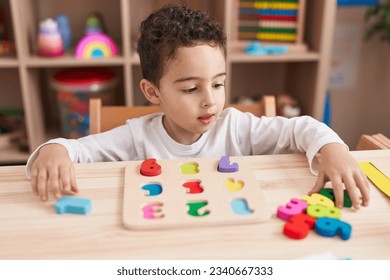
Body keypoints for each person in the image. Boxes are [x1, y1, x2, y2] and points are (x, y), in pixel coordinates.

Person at [26, 4, 369, 209]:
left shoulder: (235, 126)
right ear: (152, 91)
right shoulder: (136, 138)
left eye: (219, 84)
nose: (211, 100)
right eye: (191, 88)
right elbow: (71, 151)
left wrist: (332, 148)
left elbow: (301, 128)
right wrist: (53, 149)